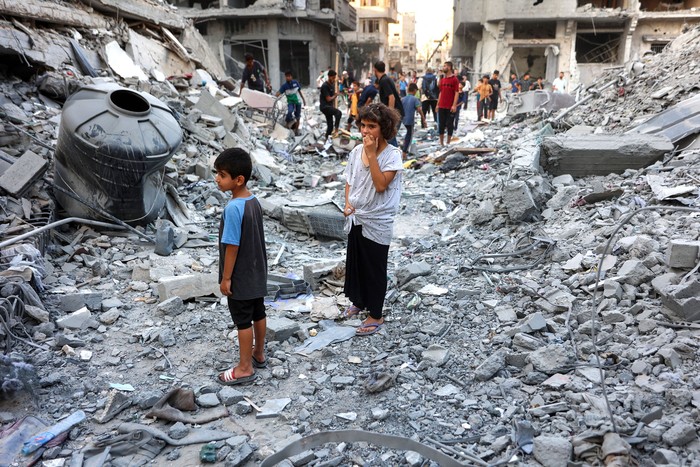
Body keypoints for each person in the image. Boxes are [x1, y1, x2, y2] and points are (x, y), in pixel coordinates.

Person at [342, 102, 403, 336]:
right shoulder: (356, 152)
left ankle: (375, 314)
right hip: (358, 216)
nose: (366, 131)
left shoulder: (392, 155)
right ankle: (359, 300)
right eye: (363, 126)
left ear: (384, 128)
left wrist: (371, 154)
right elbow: (350, 179)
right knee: (357, 262)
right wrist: (348, 203)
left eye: (372, 126)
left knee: (375, 266)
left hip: (378, 220)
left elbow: (379, 185)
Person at [214, 148, 268, 386]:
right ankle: (259, 354)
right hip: (257, 272)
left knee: (243, 320)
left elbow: (232, 246)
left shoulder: (233, 208)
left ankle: (245, 367)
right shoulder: (252, 201)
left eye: (222, 175)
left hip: (240, 276)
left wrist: (227, 278)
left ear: (238, 180)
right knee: (259, 312)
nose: (217, 178)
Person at [374, 61, 405, 146]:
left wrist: (390, 114)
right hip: (397, 112)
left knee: (389, 137)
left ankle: (395, 157)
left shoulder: (384, 80)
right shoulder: (386, 79)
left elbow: (391, 98)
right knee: (390, 137)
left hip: (395, 113)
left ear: (375, 70)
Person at [400, 83, 426, 160]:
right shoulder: (415, 99)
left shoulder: (403, 99)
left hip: (402, 120)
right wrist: (423, 119)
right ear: (415, 91)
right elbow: (419, 109)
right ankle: (404, 153)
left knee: (404, 135)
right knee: (409, 136)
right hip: (409, 120)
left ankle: (403, 150)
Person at [437, 61, 460, 147]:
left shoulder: (454, 79)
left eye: (445, 66)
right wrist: (437, 104)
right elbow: (440, 92)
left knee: (450, 124)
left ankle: (448, 142)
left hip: (450, 106)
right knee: (441, 125)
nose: (443, 67)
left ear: (449, 67)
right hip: (442, 106)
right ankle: (442, 143)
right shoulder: (442, 80)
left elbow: (457, 92)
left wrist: (454, 105)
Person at [276, 70, 306, 135]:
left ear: (291, 77)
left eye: (289, 76)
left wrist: (303, 100)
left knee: (298, 116)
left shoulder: (296, 83)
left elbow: (300, 92)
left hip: (298, 102)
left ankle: (296, 131)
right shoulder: (284, 86)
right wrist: (272, 97)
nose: (288, 78)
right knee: (289, 112)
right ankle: (287, 124)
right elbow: (279, 93)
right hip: (290, 102)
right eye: (286, 76)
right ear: (285, 77)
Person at [319, 70, 342, 139]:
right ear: (329, 77)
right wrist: (336, 95)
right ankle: (336, 129)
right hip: (325, 107)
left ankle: (327, 138)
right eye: (333, 78)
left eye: (335, 78)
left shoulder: (332, 85)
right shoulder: (325, 86)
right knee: (338, 113)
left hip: (329, 106)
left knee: (330, 126)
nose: (334, 79)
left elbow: (332, 99)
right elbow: (328, 99)